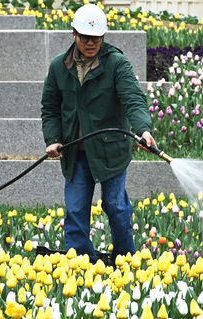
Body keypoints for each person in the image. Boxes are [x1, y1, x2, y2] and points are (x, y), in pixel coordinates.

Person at [40, 3, 157, 261]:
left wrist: (144, 130)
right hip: (75, 152)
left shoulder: (117, 64)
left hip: (110, 151)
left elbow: (134, 99)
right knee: (76, 210)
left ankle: (125, 259)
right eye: (85, 37)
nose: (91, 43)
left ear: (103, 36)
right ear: (74, 34)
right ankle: (82, 264)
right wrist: (53, 139)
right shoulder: (59, 67)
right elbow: (50, 107)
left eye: (96, 37)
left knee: (116, 206)